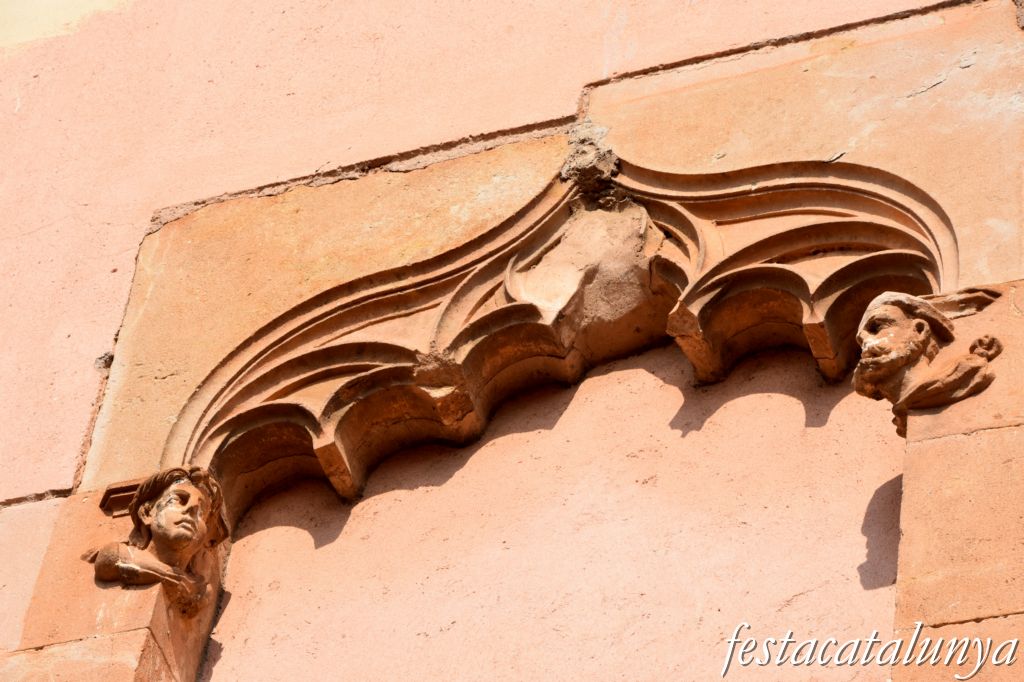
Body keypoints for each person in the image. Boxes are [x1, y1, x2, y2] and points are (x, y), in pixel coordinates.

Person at [84, 466, 228, 616]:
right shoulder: (123, 554)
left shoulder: (200, 590)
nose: (192, 509)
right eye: (178, 499)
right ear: (146, 513)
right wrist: (166, 574)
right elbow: (108, 559)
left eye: (202, 511)